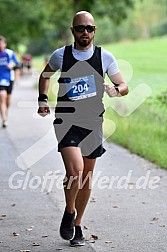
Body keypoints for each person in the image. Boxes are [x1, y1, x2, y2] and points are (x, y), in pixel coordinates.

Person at [38, 11, 128, 247]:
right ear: (73, 31)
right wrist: (42, 99)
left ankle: (77, 224)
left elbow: (123, 85)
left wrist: (116, 90)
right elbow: (45, 75)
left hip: (93, 122)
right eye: (80, 28)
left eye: (89, 28)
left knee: (86, 178)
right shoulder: (61, 55)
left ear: (94, 30)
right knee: (76, 171)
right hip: (67, 122)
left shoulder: (104, 57)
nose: (85, 32)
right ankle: (69, 212)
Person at [0, 36, 20, 128]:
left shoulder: (10, 53)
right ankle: (4, 119)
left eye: (2, 43)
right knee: (2, 96)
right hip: (0, 79)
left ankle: (5, 112)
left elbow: (18, 63)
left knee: (8, 100)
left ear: (5, 44)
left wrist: (11, 66)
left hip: (9, 78)